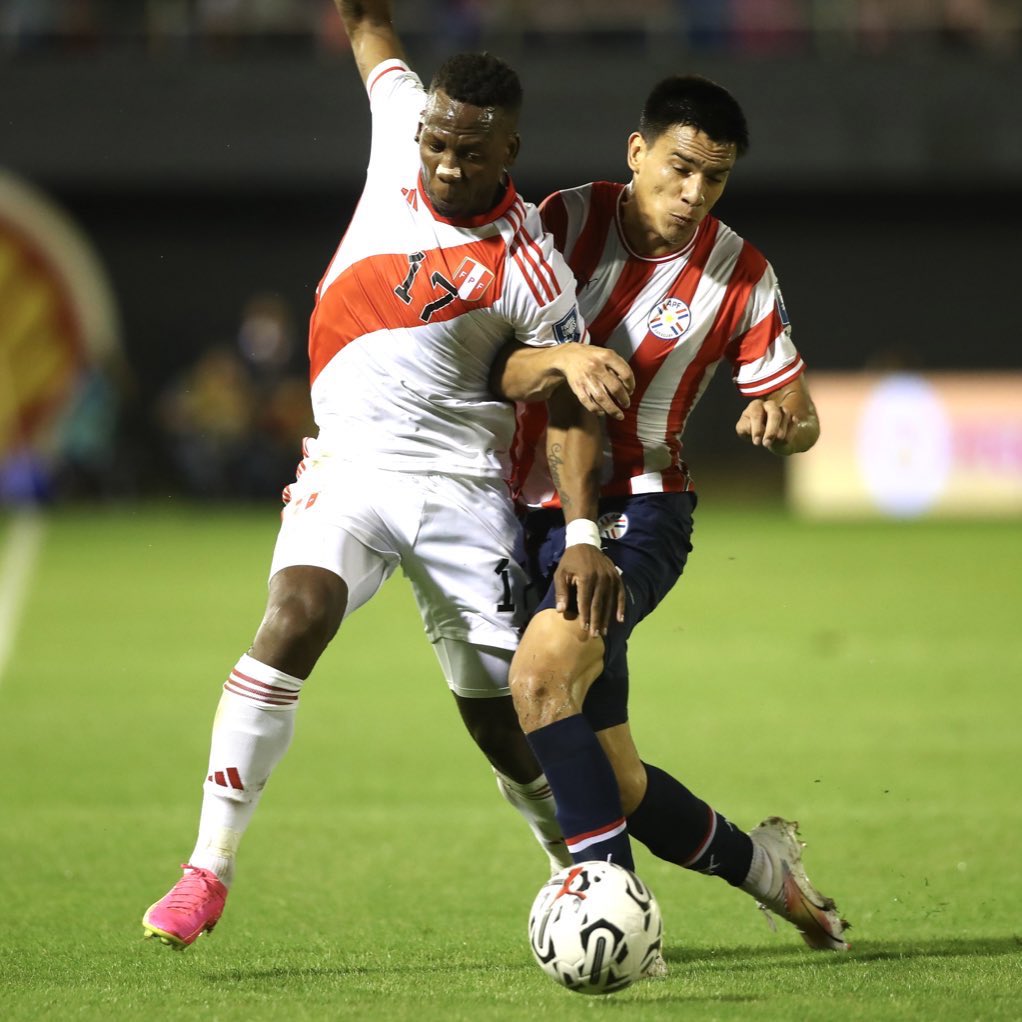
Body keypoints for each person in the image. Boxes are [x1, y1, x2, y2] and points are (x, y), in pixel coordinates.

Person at [141, 0, 635, 948]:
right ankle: (208, 870)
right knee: (295, 616)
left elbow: (568, 403)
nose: (445, 163)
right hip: (352, 466)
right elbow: (367, 21)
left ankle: (581, 878)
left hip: (461, 492)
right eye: (438, 144)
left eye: (471, 153)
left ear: (511, 151)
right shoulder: (400, 125)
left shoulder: (532, 269)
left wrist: (579, 532)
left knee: (504, 723)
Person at [494, 74, 850, 951]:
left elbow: (800, 414)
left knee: (540, 679)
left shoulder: (741, 273)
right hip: (524, 510)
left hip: (640, 509)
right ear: (636, 151)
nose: (694, 195)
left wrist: (785, 417)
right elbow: (493, 368)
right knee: (613, 781)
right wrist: (563, 361)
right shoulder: (557, 226)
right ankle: (776, 876)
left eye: (714, 179)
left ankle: (611, 920)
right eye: (680, 168)